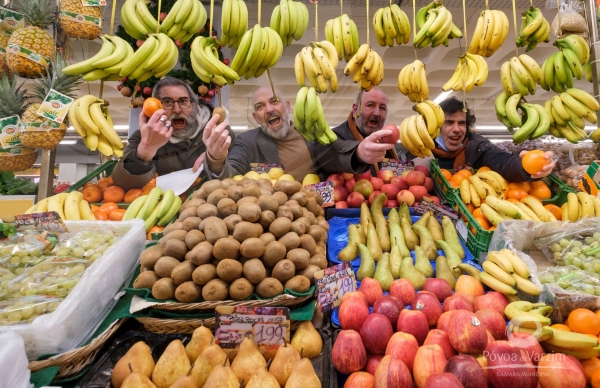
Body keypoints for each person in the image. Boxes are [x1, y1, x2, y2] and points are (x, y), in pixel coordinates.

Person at [198, 86, 394, 181]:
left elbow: (336, 154)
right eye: (260, 107)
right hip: (269, 221)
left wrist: (359, 152)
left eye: (274, 101)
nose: (268, 109)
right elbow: (232, 172)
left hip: (312, 216)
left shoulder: (312, 134)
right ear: (256, 117)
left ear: (288, 106)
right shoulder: (246, 141)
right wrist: (216, 159)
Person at [111, 77, 235, 191]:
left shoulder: (220, 134)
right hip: (162, 209)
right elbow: (122, 184)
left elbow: (237, 179)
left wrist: (215, 160)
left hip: (208, 209)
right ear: (157, 107)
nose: (177, 109)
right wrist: (145, 150)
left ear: (194, 106)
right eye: (167, 102)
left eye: (183, 101)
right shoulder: (142, 137)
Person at [432, 96, 555, 182]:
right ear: (437, 126)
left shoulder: (478, 147)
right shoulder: (420, 149)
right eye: (449, 122)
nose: (457, 129)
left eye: (462, 123)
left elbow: (503, 162)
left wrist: (526, 166)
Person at [326, 87, 402, 173]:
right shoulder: (334, 137)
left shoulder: (387, 142)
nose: (377, 113)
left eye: (382, 108)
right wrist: (358, 154)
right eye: (370, 105)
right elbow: (327, 156)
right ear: (355, 110)